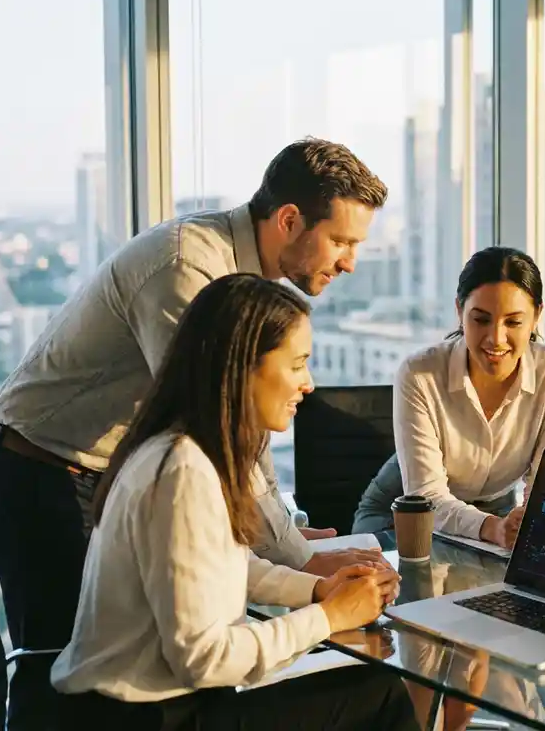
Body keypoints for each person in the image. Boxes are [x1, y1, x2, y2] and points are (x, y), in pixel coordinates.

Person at [0, 137, 389, 727]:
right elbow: (226, 422)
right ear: (288, 220)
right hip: (45, 469)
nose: (350, 261)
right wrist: (303, 560)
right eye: (342, 240)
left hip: (106, 469)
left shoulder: (246, 291)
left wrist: (299, 563)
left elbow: (236, 445)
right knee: (62, 674)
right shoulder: (189, 268)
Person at [51, 274, 417, 730]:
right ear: (244, 366)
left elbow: (226, 566)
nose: (308, 383)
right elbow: (202, 660)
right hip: (145, 717)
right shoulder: (182, 472)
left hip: (150, 706)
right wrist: (329, 616)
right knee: (378, 694)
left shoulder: (186, 451)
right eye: (298, 363)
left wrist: (316, 590)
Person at [353, 247, 545, 549]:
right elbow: (427, 495)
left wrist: (525, 522)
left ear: (537, 315)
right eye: (481, 320)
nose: (496, 339)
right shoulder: (419, 373)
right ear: (459, 311)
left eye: (513, 322)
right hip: (403, 515)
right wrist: (494, 529)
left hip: (494, 516)